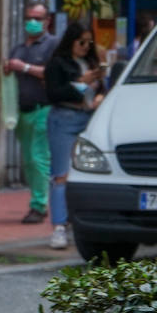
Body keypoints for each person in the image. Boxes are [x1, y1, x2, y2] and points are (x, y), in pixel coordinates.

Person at [44, 20, 105, 250]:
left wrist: (98, 93)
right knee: (61, 174)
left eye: (89, 43)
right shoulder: (58, 63)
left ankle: (82, 221)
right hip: (65, 117)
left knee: (91, 170)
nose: (86, 46)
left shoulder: (90, 61)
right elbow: (53, 93)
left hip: (89, 116)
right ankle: (59, 227)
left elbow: (100, 88)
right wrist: (81, 83)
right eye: (82, 42)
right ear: (71, 41)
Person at [3, 1, 59, 224]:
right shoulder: (19, 48)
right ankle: (39, 201)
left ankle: (39, 205)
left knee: (38, 159)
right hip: (21, 113)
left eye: (37, 18)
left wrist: (23, 67)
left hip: (43, 110)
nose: (32, 23)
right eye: (29, 18)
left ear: (48, 21)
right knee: (28, 160)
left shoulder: (53, 45)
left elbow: (53, 74)